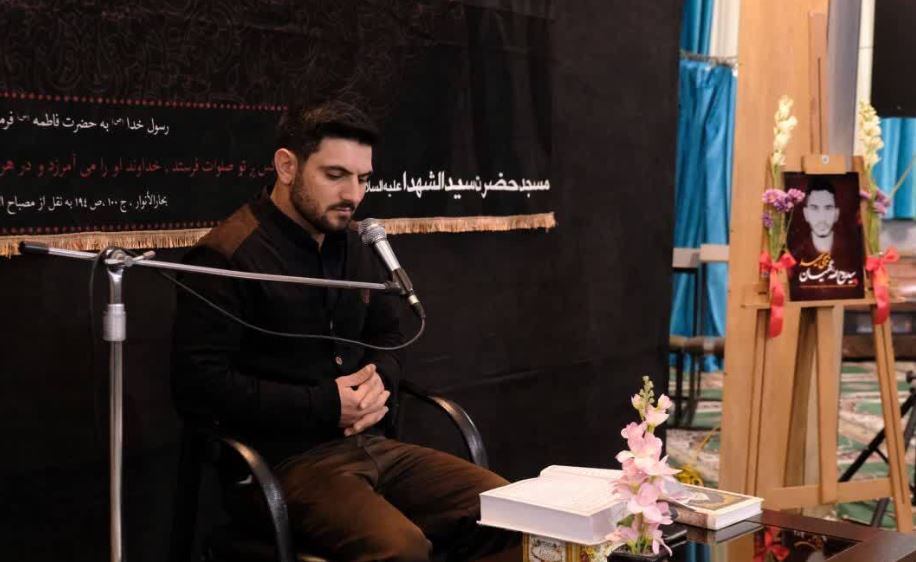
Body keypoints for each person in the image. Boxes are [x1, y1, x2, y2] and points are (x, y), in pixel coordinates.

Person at [171, 101, 515, 562]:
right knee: (401, 548)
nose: (353, 195)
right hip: (281, 465)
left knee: (512, 513)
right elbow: (199, 387)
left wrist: (378, 382)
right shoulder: (227, 257)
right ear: (287, 166)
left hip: (372, 445)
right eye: (335, 175)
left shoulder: (356, 244)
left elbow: (389, 337)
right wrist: (326, 404)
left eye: (363, 179)